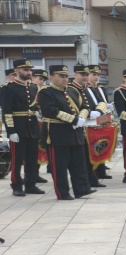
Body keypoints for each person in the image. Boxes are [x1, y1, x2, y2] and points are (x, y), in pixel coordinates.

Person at [38, 65, 93, 200]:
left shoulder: (72, 91)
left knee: (78, 165)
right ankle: (62, 193)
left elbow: (84, 106)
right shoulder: (46, 92)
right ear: (52, 76)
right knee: (60, 167)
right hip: (57, 134)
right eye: (61, 76)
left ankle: (82, 189)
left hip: (75, 134)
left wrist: (81, 117)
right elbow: (51, 111)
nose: (65, 79)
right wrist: (74, 120)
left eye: (66, 76)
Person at [1, 59, 44, 196]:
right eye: (25, 70)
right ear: (16, 70)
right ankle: (16, 185)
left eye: (30, 70)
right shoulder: (8, 88)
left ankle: (30, 184)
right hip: (18, 128)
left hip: (32, 128)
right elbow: (7, 112)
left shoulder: (33, 87)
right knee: (17, 160)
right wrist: (11, 131)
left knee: (32, 159)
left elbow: (35, 106)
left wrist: (39, 111)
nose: (29, 72)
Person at [69, 65, 106, 189]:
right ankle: (85, 181)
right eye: (82, 75)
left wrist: (99, 111)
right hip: (79, 127)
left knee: (90, 154)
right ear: (75, 75)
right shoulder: (70, 89)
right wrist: (89, 113)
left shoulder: (87, 88)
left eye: (86, 75)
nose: (85, 77)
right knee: (82, 157)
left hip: (91, 126)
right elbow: (73, 109)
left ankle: (91, 178)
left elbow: (101, 102)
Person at [86, 65, 113, 180]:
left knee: (102, 144)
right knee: (93, 147)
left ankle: (101, 170)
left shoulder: (101, 89)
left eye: (98, 75)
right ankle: (93, 172)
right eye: (93, 74)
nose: (96, 77)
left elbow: (104, 102)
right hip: (91, 121)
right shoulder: (85, 89)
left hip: (102, 120)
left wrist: (108, 107)